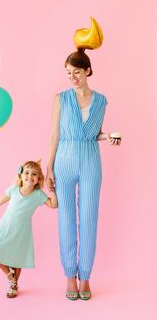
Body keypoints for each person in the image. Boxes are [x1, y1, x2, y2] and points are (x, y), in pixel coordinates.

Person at [46, 49, 121, 301]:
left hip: (91, 161)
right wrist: (48, 167)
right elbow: (55, 135)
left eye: (76, 72)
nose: (72, 77)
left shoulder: (101, 101)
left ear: (87, 70)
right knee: (66, 219)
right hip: (63, 161)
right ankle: (70, 275)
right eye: (68, 73)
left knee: (89, 219)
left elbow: (96, 133)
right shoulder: (60, 99)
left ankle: (85, 276)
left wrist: (107, 137)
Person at [0, 160, 58, 298]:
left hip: (22, 230)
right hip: (5, 226)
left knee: (17, 258)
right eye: (26, 173)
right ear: (20, 176)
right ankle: (11, 277)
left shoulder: (38, 194)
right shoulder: (14, 189)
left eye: (34, 174)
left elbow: (53, 205)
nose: (30, 176)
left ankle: (14, 286)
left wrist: (53, 191)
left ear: (38, 179)